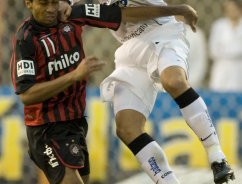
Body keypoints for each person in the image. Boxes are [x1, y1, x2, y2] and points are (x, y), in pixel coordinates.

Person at [9, 0, 199, 183]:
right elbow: (27, 94)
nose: (51, 9)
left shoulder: (72, 14)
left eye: (54, 2)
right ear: (29, 3)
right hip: (46, 128)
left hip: (75, 123)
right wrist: (74, 76)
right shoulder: (26, 39)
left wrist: (176, 9)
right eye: (43, 3)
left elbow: (123, 15)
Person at [99, 0, 235, 183]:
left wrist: (177, 10)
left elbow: (123, 14)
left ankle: (217, 156)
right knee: (127, 129)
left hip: (161, 32)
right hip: (129, 48)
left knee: (174, 81)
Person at [209, 0, 242, 92]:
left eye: (234, 9)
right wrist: (235, 51)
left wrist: (226, 50)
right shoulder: (218, 25)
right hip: (222, 68)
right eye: (228, 9)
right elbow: (214, 51)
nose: (231, 12)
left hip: (239, 68)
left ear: (239, 9)